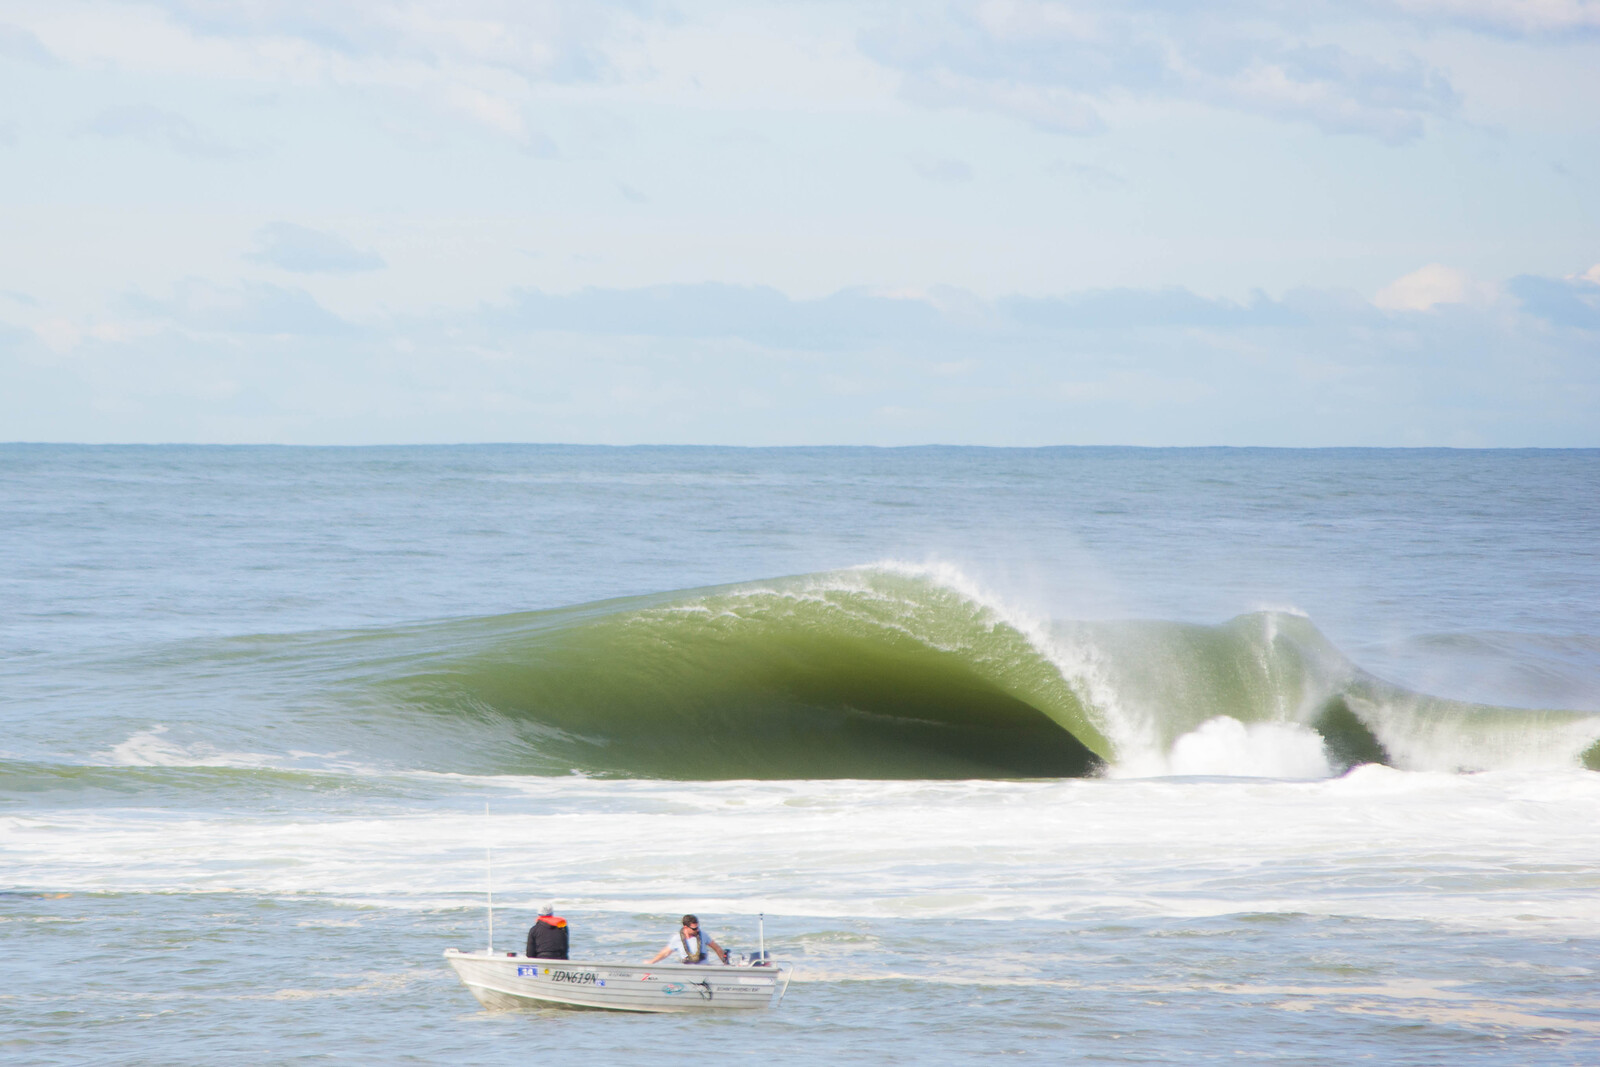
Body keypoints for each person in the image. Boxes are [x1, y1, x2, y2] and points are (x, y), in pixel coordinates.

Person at [645, 914, 728, 965]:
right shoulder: (677, 938)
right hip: (688, 969)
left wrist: (725, 963)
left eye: (697, 927)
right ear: (685, 927)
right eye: (694, 928)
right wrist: (651, 962)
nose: (697, 930)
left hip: (703, 968)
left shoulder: (703, 935)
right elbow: (665, 953)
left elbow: (717, 948)